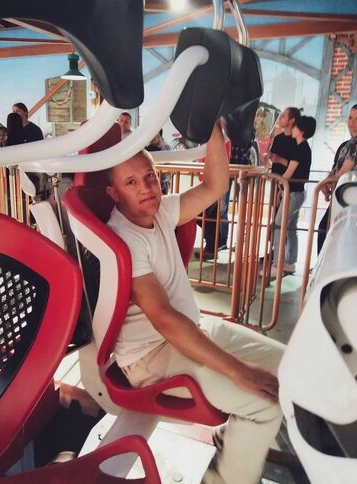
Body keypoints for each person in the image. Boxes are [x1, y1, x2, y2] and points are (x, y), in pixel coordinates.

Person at [105, 122, 284, 484]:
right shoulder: (124, 238)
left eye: (150, 177)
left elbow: (215, 186)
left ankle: (232, 442)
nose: (146, 188)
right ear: (113, 193)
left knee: (290, 365)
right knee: (265, 405)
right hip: (150, 356)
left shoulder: (159, 211)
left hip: (190, 329)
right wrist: (239, 371)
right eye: (131, 183)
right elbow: (164, 319)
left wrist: (212, 124)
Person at [269, 115, 316, 277]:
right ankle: (290, 263)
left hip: (293, 194)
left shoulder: (300, 148)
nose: (293, 129)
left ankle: (277, 265)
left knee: (278, 226)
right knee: (290, 228)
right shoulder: (304, 147)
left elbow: (288, 174)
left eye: (295, 126)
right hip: (298, 193)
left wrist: (279, 186)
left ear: (301, 130)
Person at [317, 104, 357, 255]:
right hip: (339, 196)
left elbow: (344, 170)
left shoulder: (354, 144)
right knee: (327, 231)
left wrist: (327, 182)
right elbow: (336, 168)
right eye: (350, 118)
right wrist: (327, 182)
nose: (352, 123)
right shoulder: (345, 145)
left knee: (328, 232)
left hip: (349, 199)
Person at [266, 107, 301, 176]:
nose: (279, 118)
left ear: (292, 120)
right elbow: (272, 156)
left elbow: (299, 168)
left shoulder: (298, 141)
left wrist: (280, 159)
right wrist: (269, 155)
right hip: (275, 179)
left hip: (290, 181)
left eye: (283, 116)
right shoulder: (278, 138)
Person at [145, 128, 171, 195]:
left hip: (162, 181)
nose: (152, 138)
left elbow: (167, 158)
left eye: (155, 135)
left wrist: (161, 143)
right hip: (149, 178)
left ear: (159, 136)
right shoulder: (145, 146)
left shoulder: (165, 147)